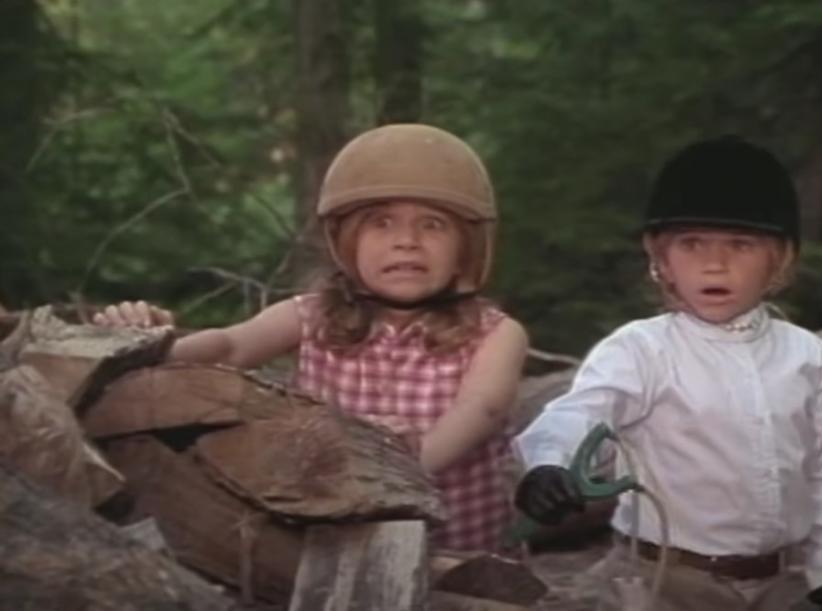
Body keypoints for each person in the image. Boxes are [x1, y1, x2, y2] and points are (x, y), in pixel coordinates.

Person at [95, 124, 529, 552]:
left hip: (456, 551)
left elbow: (482, 409)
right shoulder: (311, 314)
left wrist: (402, 467)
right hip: (328, 539)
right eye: (381, 223)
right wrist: (153, 344)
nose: (407, 242)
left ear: (466, 250)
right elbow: (231, 346)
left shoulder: (495, 334)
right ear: (345, 241)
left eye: (433, 225)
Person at [512, 135, 822, 610]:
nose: (714, 263)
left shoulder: (806, 355)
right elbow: (581, 411)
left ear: (778, 258)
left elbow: (820, 470)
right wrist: (548, 464)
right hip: (665, 581)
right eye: (692, 243)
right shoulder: (641, 349)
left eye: (740, 244)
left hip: (781, 581)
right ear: (662, 259)